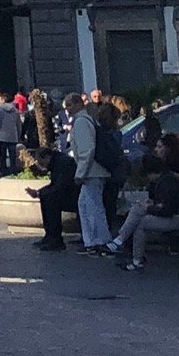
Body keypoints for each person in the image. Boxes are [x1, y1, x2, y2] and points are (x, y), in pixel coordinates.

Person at [104, 145, 179, 272]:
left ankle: (125, 245)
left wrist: (149, 208)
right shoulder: (168, 178)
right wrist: (150, 205)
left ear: (150, 174)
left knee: (142, 221)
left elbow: (166, 210)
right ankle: (126, 247)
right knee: (139, 210)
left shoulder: (166, 183)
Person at [66, 93, 114, 253]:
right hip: (93, 171)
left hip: (91, 171)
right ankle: (92, 241)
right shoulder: (88, 120)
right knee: (86, 205)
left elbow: (87, 150)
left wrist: (80, 173)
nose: (67, 108)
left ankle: (99, 241)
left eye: (70, 105)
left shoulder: (81, 122)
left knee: (93, 206)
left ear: (79, 104)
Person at [24, 145, 77, 252]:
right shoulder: (57, 162)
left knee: (51, 200)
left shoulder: (62, 163)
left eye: (42, 162)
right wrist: (39, 193)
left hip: (74, 194)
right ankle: (49, 236)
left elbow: (60, 186)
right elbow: (55, 185)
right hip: (68, 192)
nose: (43, 166)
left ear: (47, 157)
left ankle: (55, 239)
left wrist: (40, 193)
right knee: (47, 198)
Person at [0, 89, 22, 177]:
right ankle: (13, 172)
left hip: (2, 137)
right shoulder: (16, 111)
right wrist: (18, 135)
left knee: (3, 157)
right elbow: (19, 125)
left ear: (3, 100)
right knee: (12, 157)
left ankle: (4, 172)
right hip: (13, 137)